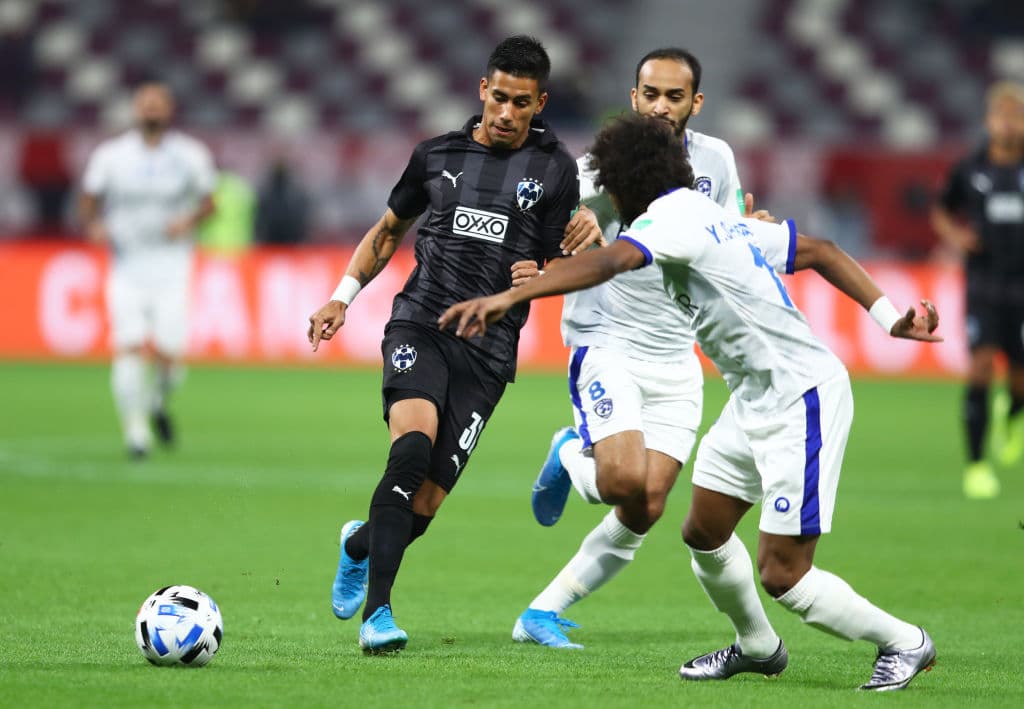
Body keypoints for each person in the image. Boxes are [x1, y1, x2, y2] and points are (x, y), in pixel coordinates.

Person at [439, 114, 941, 691]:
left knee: (784, 574)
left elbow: (611, 260)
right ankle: (757, 647)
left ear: (623, 186)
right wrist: (888, 317)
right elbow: (822, 250)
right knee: (704, 530)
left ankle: (905, 642)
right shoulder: (712, 216)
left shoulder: (668, 221)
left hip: (800, 399)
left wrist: (512, 295)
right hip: (751, 398)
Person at [306, 35, 600, 654]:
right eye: (498, 97)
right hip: (420, 324)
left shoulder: (555, 169)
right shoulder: (435, 154)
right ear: (482, 91)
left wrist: (541, 278)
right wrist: (341, 295)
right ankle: (378, 617)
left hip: (489, 352)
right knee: (409, 453)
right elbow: (389, 231)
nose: (506, 112)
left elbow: (558, 261)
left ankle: (359, 544)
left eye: (521, 103)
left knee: (427, 500)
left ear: (539, 102)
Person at [508, 47, 758, 650]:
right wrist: (580, 227)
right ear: (633, 97)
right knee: (621, 482)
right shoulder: (599, 165)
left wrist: (755, 230)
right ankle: (571, 449)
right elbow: (549, 226)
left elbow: (727, 236)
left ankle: (539, 614)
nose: (661, 106)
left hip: (677, 354)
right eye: (651, 94)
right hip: (608, 340)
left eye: (675, 96)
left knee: (646, 505)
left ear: (695, 103)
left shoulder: (717, 160)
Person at [79, 83, 216, 458]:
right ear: (135, 111)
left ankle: (157, 401)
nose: (151, 111)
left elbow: (209, 203)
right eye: (145, 105)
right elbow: (89, 199)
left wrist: (187, 221)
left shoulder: (190, 155)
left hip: (173, 266)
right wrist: (93, 226)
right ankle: (135, 433)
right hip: (127, 265)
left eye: (158, 105)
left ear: (169, 111)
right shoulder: (111, 155)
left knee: (171, 355)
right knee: (129, 346)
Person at [931, 80, 1024, 499]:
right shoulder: (971, 169)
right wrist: (957, 236)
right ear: (989, 121)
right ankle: (976, 465)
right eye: (1001, 115)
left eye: (1016, 115)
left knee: (1020, 377)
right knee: (981, 367)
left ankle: (1014, 416)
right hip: (985, 284)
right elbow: (941, 210)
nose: (1008, 123)